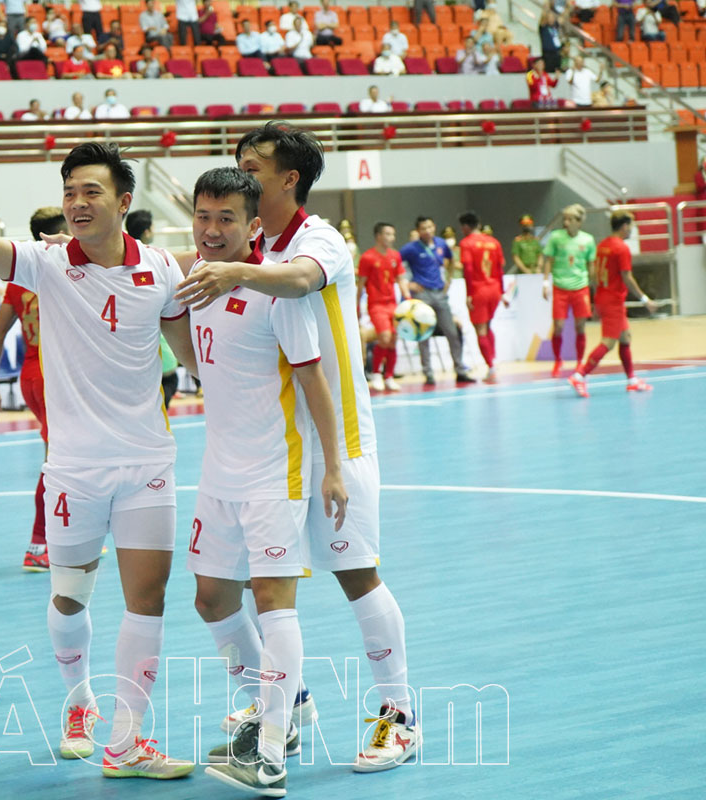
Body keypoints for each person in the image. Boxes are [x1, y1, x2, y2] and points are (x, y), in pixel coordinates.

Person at [0, 104, 197, 777]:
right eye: (70, 192)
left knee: (149, 600)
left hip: (147, 463)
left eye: (92, 192)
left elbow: (188, 351)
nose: (77, 204)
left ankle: (127, 739)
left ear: (124, 201)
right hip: (75, 469)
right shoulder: (47, 263)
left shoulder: (163, 268)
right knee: (70, 598)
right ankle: (79, 701)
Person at [175, 122, 421, 776]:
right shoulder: (246, 243)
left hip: (337, 441)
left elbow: (299, 280)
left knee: (355, 574)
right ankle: (284, 701)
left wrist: (234, 268)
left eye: (252, 167)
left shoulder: (318, 240)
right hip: (266, 448)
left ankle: (399, 715)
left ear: (289, 179)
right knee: (235, 592)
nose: (241, 172)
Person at [186, 167, 348, 798]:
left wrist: (332, 468)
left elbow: (315, 385)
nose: (212, 228)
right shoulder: (196, 282)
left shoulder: (279, 294)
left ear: (254, 225)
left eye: (227, 217)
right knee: (211, 600)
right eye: (203, 216)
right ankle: (279, 709)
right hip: (217, 473)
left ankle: (273, 753)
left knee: (273, 601)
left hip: (273, 474)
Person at [0, 206, 68, 573]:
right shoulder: (63, 270)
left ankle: (66, 536)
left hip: (31, 375)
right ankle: (39, 544)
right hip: (55, 377)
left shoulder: (19, 280)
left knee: (68, 458)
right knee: (58, 463)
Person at [565, 211, 656, 397]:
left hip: (604, 297)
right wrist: (644, 299)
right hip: (613, 300)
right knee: (608, 342)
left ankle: (631, 380)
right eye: (631, 226)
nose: (632, 230)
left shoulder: (603, 245)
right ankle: (579, 376)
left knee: (625, 337)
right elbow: (627, 277)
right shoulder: (621, 248)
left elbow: (595, 274)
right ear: (624, 227)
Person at [398, 217, 475, 385]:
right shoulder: (410, 249)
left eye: (430, 226)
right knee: (423, 334)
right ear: (418, 231)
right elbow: (396, 264)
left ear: (434, 227)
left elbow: (452, 260)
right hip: (422, 295)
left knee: (452, 332)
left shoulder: (441, 244)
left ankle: (460, 369)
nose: (427, 230)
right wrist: (408, 283)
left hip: (440, 294)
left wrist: (449, 280)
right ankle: (428, 373)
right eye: (423, 228)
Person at [539, 203, 596, 377]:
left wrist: (592, 285)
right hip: (560, 287)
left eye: (570, 219)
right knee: (558, 326)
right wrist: (545, 282)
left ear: (579, 222)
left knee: (580, 326)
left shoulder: (588, 240)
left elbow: (591, 264)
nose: (566, 222)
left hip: (580, 288)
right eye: (564, 218)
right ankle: (558, 360)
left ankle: (580, 362)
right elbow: (548, 259)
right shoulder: (556, 237)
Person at [458, 211, 509, 383]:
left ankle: (491, 367)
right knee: (487, 326)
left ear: (465, 227)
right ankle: (493, 362)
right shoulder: (494, 242)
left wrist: (469, 294)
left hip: (479, 289)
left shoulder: (466, 243)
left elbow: (469, 270)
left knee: (480, 329)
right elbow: (500, 269)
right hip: (494, 288)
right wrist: (502, 292)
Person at [357, 222, 405, 391]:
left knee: (393, 340)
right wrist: (356, 306)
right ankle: (376, 373)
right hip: (376, 305)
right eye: (388, 234)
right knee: (384, 337)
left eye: (393, 234)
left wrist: (408, 298)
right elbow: (361, 284)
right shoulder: (368, 257)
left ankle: (389, 376)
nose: (391, 237)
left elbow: (401, 279)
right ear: (378, 236)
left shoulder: (395, 256)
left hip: (393, 304)